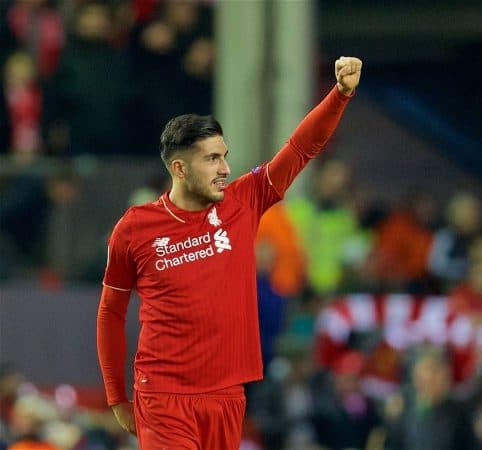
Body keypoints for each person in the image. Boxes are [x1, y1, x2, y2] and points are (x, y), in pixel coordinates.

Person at [96, 56, 362, 449]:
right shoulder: (135, 228)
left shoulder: (243, 202)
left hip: (227, 395)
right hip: (164, 395)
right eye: (212, 159)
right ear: (180, 168)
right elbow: (110, 312)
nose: (225, 168)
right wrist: (117, 396)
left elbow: (300, 148)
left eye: (224, 155)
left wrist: (339, 95)